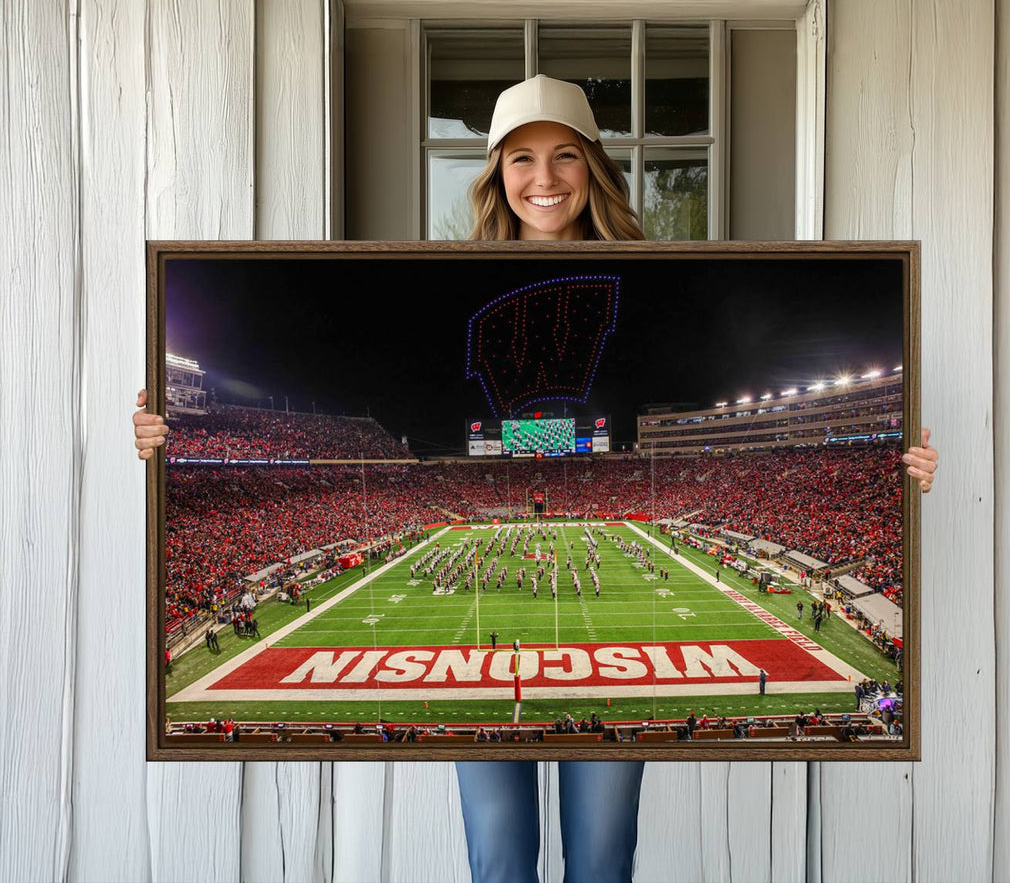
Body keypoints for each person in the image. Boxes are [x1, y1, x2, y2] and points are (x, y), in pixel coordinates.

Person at [133, 74, 940, 883]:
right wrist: (164, 432)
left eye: (564, 156)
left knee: (600, 862)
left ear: (593, 166)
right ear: (495, 173)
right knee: (500, 862)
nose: (544, 178)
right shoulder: (447, 277)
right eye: (521, 158)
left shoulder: (656, 277)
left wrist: (899, 470)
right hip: (503, 615)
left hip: (599, 607)